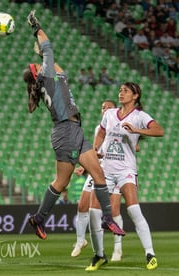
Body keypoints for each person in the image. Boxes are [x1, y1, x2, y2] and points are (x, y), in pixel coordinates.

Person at [23, 10, 125, 241]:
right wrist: (36, 29)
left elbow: (62, 72)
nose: (39, 64)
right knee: (62, 181)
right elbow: (48, 49)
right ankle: (38, 218)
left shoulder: (50, 78)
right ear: (36, 72)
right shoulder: (46, 77)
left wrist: (43, 55)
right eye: (36, 65)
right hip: (65, 131)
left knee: (99, 174)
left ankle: (108, 220)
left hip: (74, 130)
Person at [86, 82, 164, 271]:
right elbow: (102, 132)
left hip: (126, 170)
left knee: (133, 210)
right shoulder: (110, 114)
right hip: (106, 170)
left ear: (135, 96)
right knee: (93, 212)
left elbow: (159, 131)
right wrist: (96, 148)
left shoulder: (140, 116)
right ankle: (99, 255)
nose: (121, 93)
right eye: (120, 90)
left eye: (126, 91)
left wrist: (138, 130)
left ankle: (150, 253)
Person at [71, 99, 125, 261]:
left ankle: (118, 248)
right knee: (82, 205)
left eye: (109, 107)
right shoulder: (99, 129)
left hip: (117, 170)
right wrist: (84, 167)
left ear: (115, 110)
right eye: (103, 108)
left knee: (114, 210)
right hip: (98, 169)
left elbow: (134, 147)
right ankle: (80, 240)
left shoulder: (122, 126)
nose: (105, 110)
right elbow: (96, 151)